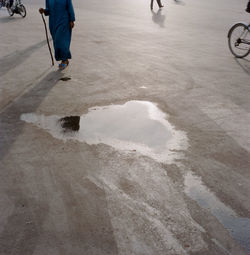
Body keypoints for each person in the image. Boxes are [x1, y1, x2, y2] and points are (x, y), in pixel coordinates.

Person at [39, 0, 75, 70]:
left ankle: (64, 60)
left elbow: (70, 7)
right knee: (57, 42)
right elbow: (48, 11)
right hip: (53, 23)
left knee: (60, 41)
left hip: (64, 21)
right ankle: (65, 59)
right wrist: (43, 10)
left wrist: (72, 20)